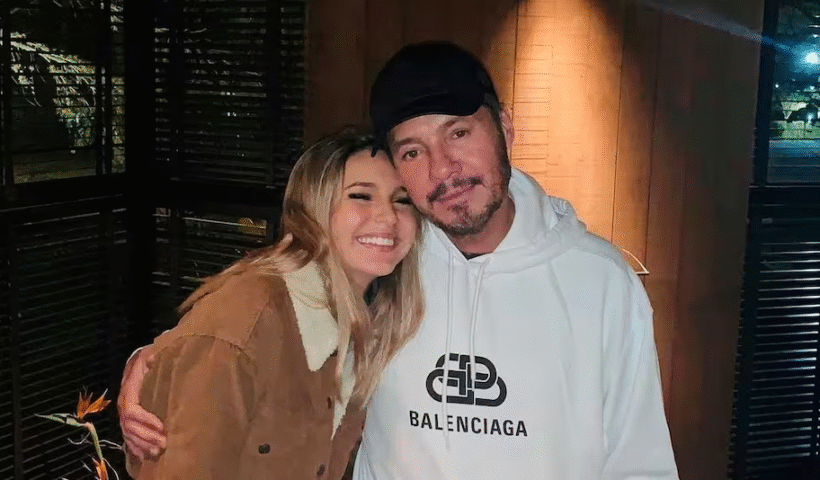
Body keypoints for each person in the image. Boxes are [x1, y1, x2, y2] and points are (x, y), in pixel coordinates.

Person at [120, 42, 679, 479]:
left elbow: (639, 463)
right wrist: (157, 358)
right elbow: (270, 314)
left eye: (459, 132)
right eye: (413, 150)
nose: (443, 168)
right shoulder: (390, 261)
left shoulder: (600, 281)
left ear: (506, 129)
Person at [121, 128, 424, 480]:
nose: (388, 217)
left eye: (402, 200)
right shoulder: (245, 320)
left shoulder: (371, 320)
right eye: (360, 196)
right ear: (313, 208)